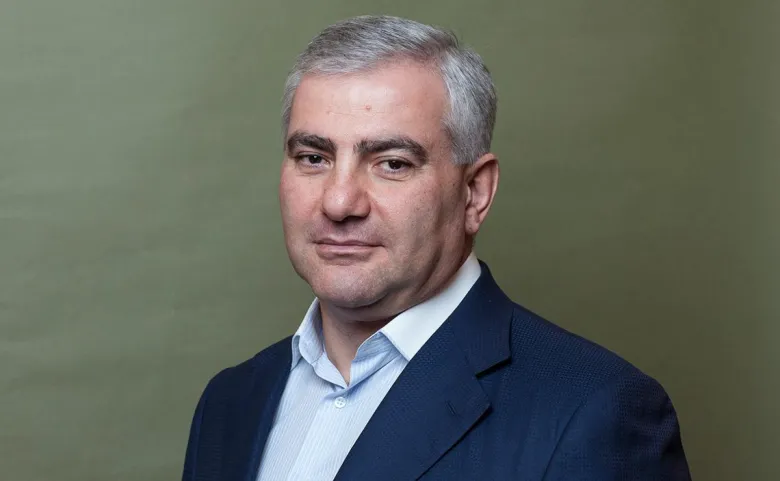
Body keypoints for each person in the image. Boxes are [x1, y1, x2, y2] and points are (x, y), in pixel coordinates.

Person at [182, 15, 691, 481]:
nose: (338, 202)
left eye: (393, 163)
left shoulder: (596, 412)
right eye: (313, 157)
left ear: (475, 193)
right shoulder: (231, 402)